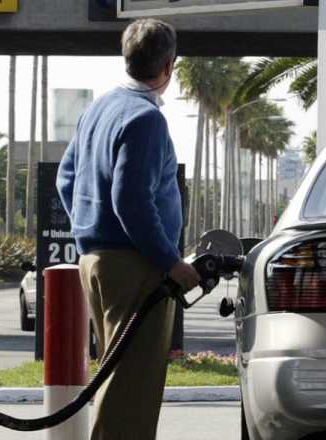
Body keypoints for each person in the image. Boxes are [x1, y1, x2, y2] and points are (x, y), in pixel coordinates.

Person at [56, 18, 201, 440]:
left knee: (116, 378)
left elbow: (67, 178)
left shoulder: (100, 108)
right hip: (134, 267)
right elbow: (133, 203)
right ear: (169, 65)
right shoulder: (146, 120)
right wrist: (169, 261)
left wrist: (90, 226)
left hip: (97, 260)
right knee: (132, 389)